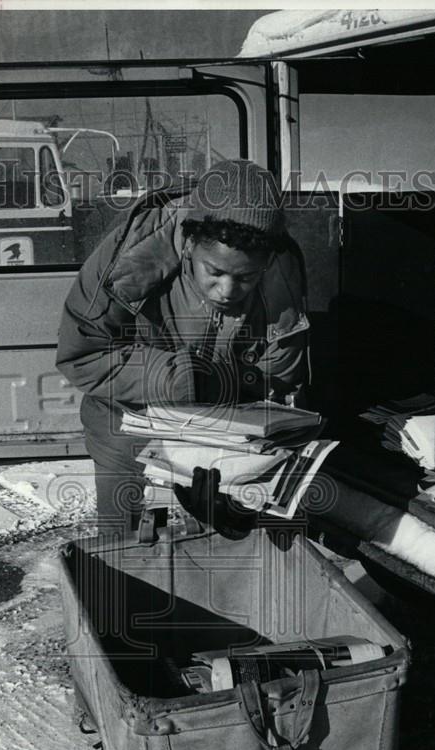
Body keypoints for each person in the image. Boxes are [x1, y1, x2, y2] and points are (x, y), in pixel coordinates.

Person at [56, 158, 310, 535]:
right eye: (216, 272)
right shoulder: (131, 255)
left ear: (267, 261)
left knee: (234, 535)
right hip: (126, 419)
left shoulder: (281, 269)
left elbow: (282, 377)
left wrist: (268, 432)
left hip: (224, 429)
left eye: (246, 277)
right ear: (190, 243)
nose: (227, 291)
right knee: (121, 546)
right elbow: (82, 354)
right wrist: (183, 380)